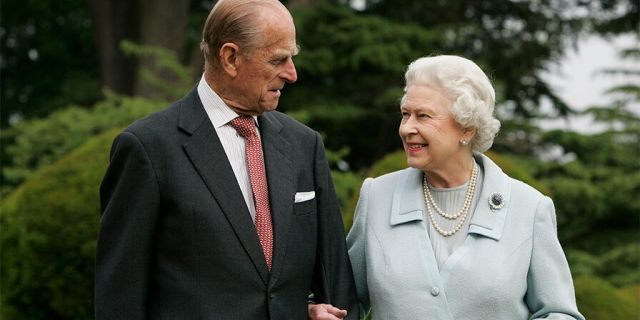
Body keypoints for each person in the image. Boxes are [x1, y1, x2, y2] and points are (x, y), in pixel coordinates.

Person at [95, 0, 359, 319]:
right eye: (279, 60)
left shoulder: (305, 144)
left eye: (292, 58)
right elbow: (120, 299)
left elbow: (336, 282)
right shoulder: (148, 148)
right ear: (231, 57)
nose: (292, 74)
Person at [310, 55, 584, 320]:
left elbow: (559, 313)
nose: (407, 128)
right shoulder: (377, 197)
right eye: (406, 114)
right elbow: (343, 302)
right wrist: (315, 310)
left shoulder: (529, 208)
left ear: (467, 128)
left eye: (423, 116)